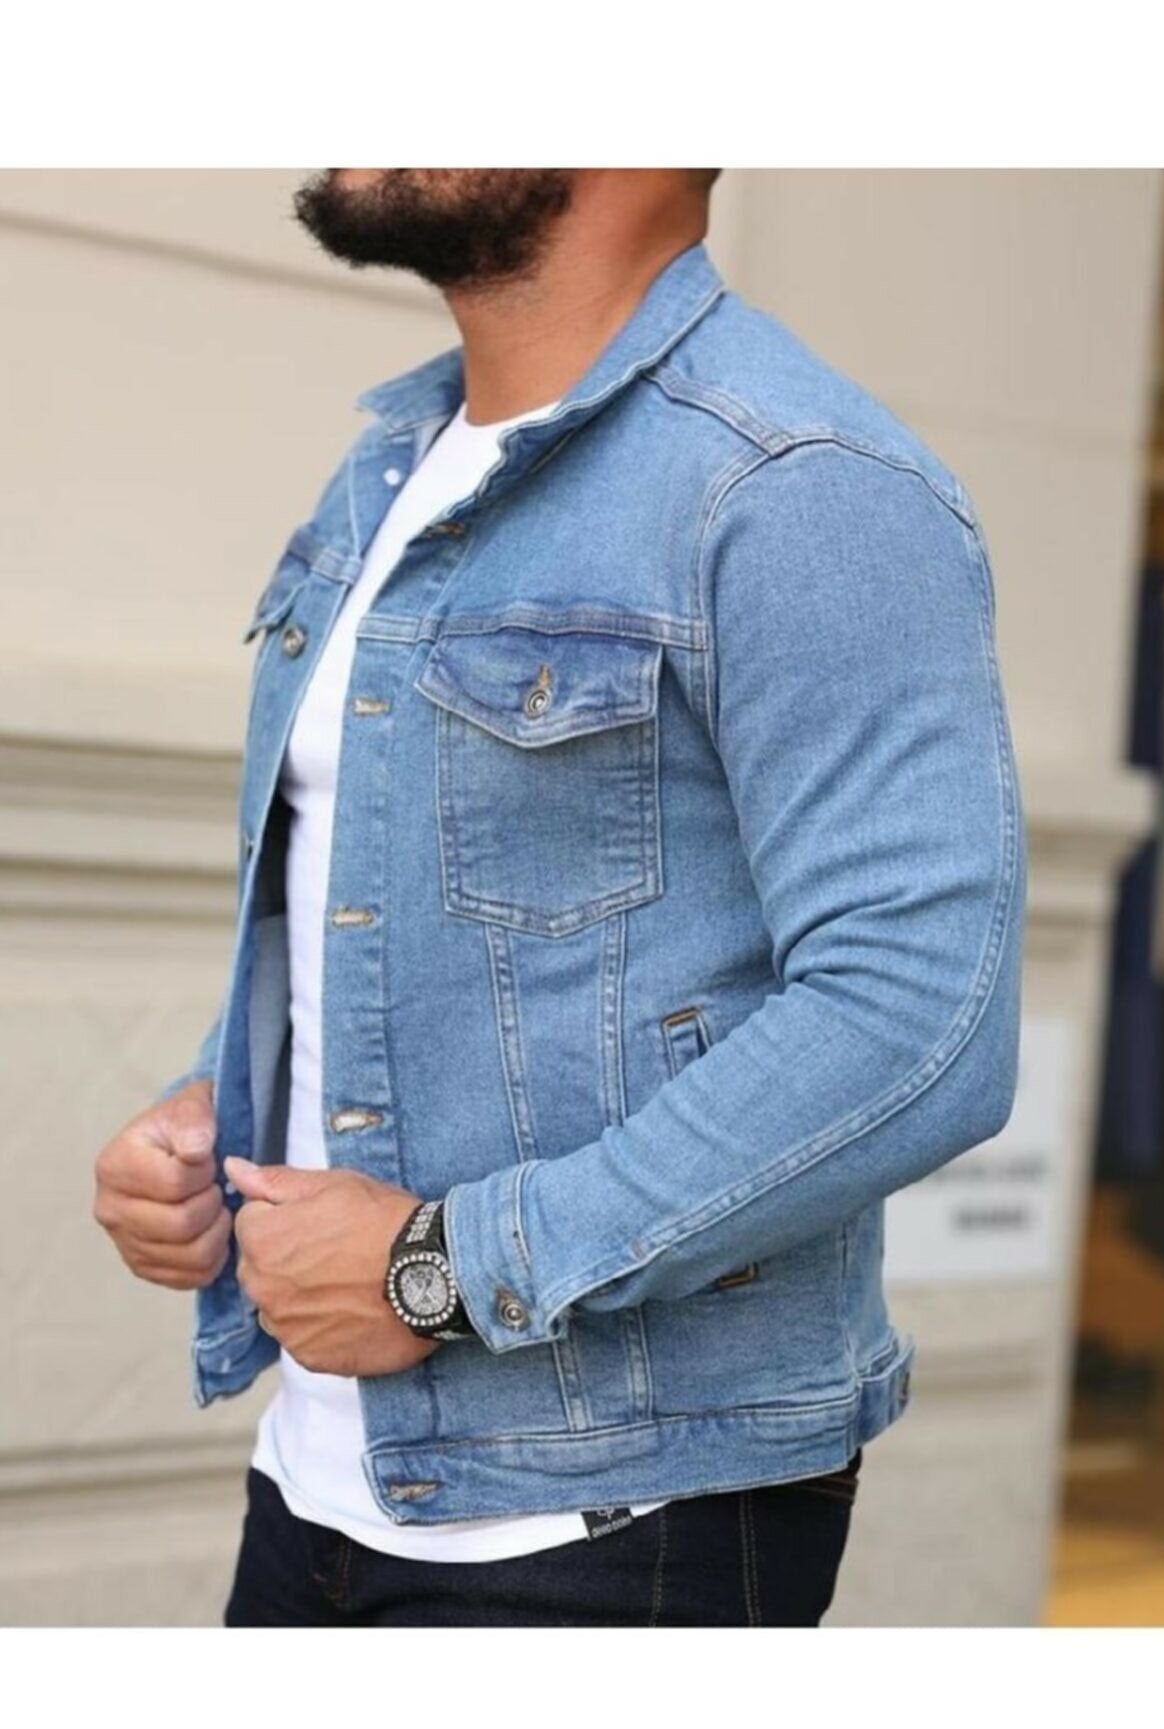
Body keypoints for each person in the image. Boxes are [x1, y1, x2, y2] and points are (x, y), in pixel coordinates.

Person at [92, 168, 1025, 1627]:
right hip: (321, 1483)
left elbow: (918, 1019)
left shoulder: (798, 481)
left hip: (610, 1521)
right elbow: (409, 920)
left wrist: (436, 1271)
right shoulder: (392, 467)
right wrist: (218, 1108)